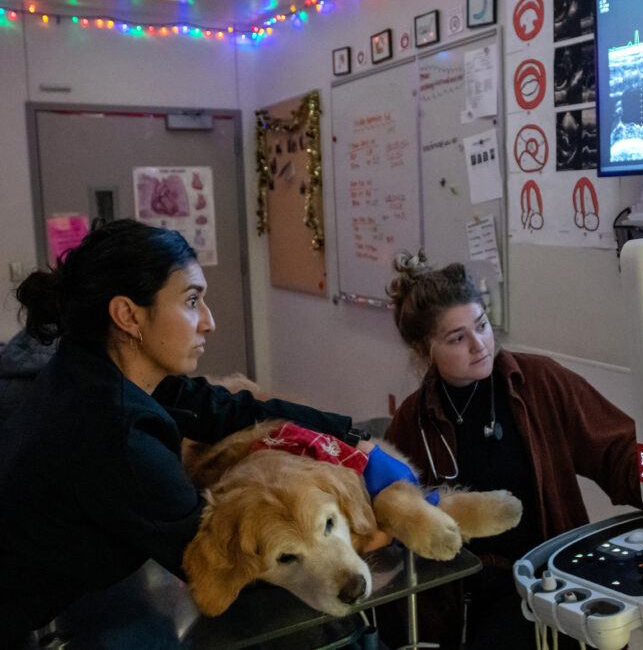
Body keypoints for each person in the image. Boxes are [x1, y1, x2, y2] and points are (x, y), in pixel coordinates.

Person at [0, 219, 412, 647]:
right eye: (192, 300)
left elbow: (224, 408)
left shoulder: (96, 367)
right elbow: (219, 566)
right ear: (128, 315)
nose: (209, 322)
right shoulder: (115, 435)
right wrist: (369, 529)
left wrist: (349, 437)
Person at [382, 249, 643, 649]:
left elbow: (618, 448)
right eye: (458, 338)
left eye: (482, 325)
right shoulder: (412, 422)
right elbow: (398, 520)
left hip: (550, 584)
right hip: (467, 598)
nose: (480, 344)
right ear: (425, 350)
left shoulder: (539, 383)